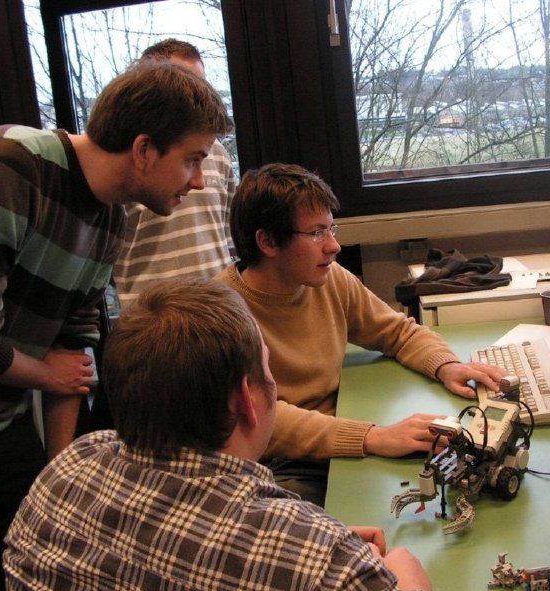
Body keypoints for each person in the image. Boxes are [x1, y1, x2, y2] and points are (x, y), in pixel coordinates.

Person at [0, 60, 231, 591]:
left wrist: (59, 478)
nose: (199, 180)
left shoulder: (111, 217)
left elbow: (75, 348)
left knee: (33, 568)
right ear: (143, 149)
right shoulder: (4, 170)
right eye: (192, 160)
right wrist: (46, 374)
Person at [4, 278, 437, 591]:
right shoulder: (327, 567)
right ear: (248, 400)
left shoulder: (67, 470)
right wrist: (410, 580)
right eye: (268, 371)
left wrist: (311, 537)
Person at [215, 162, 505, 504]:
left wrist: (446, 365)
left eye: (331, 228)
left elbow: (397, 332)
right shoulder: (222, 313)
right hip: (278, 458)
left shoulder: (328, 278)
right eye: (317, 233)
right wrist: (371, 437)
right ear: (267, 241)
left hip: (336, 428)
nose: (334, 246)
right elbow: (264, 419)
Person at [113, 39, 237, 309]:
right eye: (181, 85)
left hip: (219, 312)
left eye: (200, 86)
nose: (195, 96)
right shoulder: (127, 160)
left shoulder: (219, 154)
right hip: (153, 323)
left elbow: (230, 236)